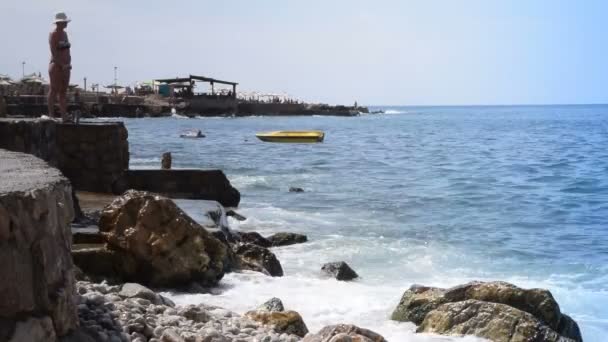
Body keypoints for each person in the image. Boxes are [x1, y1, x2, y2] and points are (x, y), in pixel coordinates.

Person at [48, 12, 72, 122]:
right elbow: (53, 51)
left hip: (66, 67)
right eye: (64, 22)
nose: (66, 23)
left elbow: (67, 50)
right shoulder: (53, 34)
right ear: (59, 23)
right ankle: (51, 115)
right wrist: (60, 64)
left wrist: (68, 63)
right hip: (56, 66)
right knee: (54, 90)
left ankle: (64, 115)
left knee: (63, 92)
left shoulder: (65, 34)